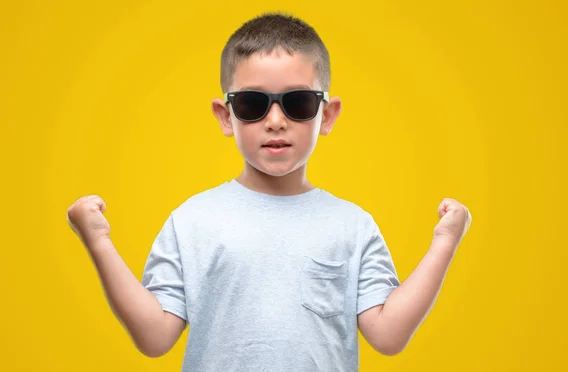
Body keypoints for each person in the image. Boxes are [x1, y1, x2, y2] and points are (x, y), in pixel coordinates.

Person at [66, 12, 472, 372]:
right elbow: (154, 339)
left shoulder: (353, 225)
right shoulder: (192, 220)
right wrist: (98, 242)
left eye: (297, 102)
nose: (275, 121)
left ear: (326, 115)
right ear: (226, 116)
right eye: (251, 104)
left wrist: (444, 242)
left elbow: (389, 336)